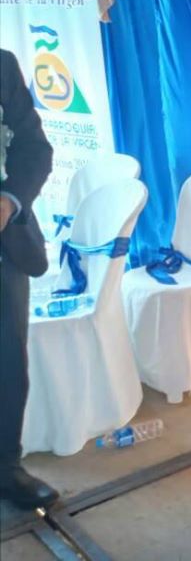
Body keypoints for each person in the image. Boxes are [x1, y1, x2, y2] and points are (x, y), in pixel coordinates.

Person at [0, 49, 58, 509]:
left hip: (5, 246)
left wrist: (8, 202)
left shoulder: (2, 65)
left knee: (7, 363)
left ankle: (6, 467)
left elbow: (35, 149)